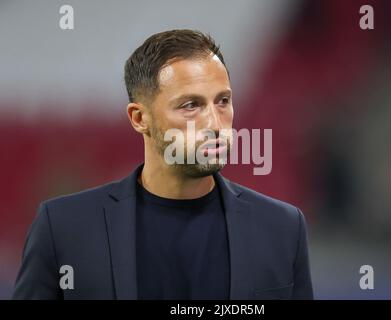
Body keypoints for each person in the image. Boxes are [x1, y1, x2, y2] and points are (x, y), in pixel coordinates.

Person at [12, 29, 313, 300]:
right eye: (191, 105)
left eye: (222, 101)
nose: (214, 122)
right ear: (139, 118)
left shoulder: (282, 229)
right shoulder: (64, 227)